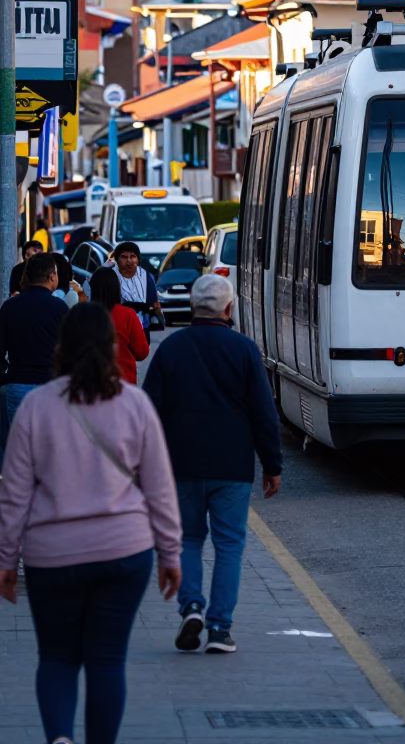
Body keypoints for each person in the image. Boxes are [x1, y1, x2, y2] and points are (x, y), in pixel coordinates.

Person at [0, 303, 182, 744]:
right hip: (124, 551)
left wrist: (7, 559)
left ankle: (60, 737)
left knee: (57, 657)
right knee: (106, 658)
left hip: (52, 553)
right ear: (109, 348)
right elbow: (159, 487)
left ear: (60, 348)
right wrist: (171, 554)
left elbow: (15, 493)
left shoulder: (35, 407)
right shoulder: (135, 405)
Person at [144, 273, 282, 655]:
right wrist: (272, 465)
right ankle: (220, 629)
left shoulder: (172, 348)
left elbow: (147, 411)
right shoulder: (244, 349)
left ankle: (191, 606)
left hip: (181, 464)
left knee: (187, 538)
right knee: (229, 545)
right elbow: (264, 413)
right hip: (232, 465)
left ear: (192, 306)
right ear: (228, 308)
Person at [0, 252, 67, 436]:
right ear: (52, 276)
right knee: (51, 448)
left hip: (18, 385)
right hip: (51, 386)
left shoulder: (9, 307)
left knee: (21, 448)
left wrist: (8, 376)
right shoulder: (59, 308)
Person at [90, 267, 150, 385]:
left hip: (91, 383)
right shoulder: (128, 315)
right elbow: (141, 352)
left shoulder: (83, 314)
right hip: (124, 383)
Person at [100, 242, 164, 333]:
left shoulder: (147, 276)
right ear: (117, 259)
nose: (129, 261)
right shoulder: (109, 277)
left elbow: (152, 301)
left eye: (132, 256)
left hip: (140, 326)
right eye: (124, 257)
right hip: (117, 327)